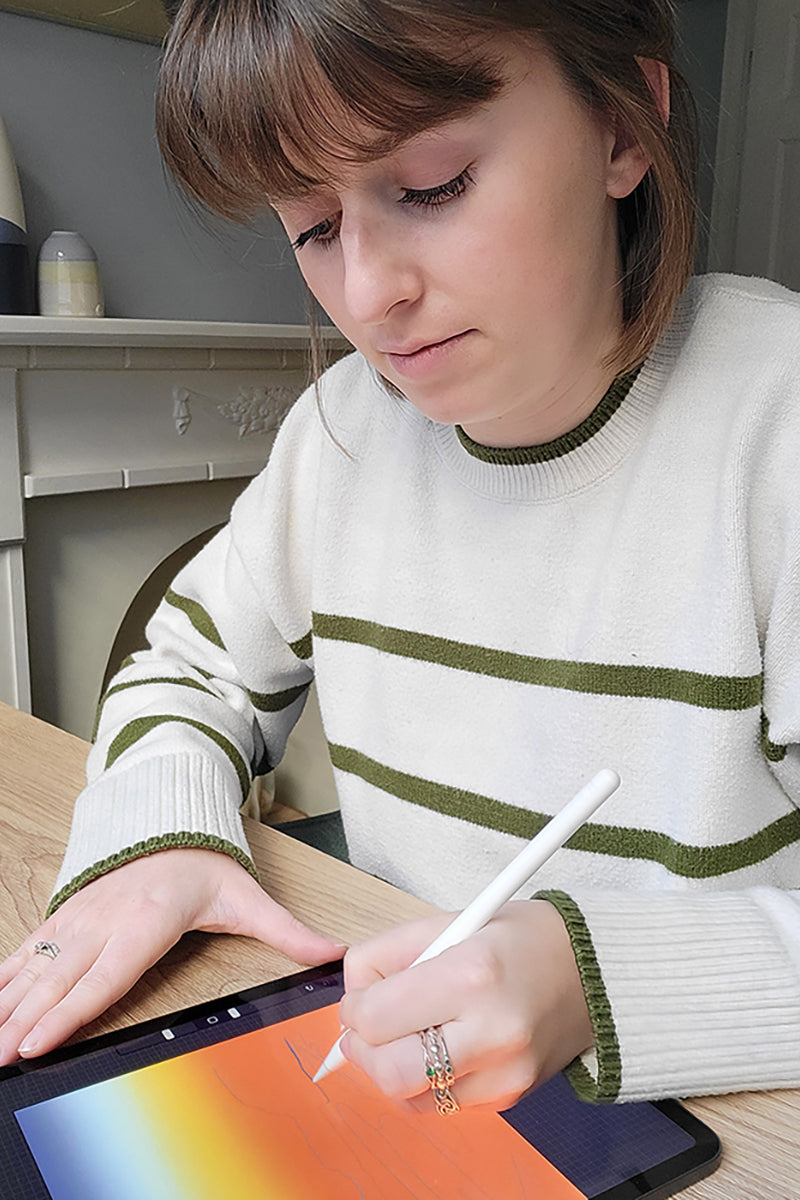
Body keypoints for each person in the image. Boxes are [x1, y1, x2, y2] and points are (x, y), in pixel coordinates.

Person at [2, 0, 800, 1116]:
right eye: (313, 228)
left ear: (623, 124)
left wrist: (591, 979)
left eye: (428, 188)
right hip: (406, 1080)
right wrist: (158, 837)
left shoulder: (775, 427)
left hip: (708, 1114)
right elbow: (188, 670)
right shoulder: (343, 435)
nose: (368, 296)